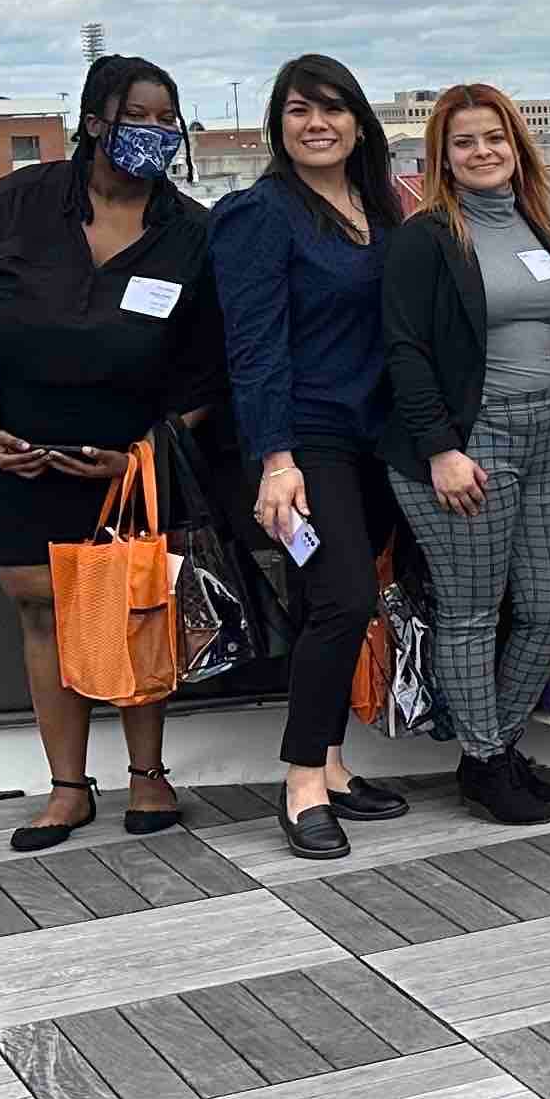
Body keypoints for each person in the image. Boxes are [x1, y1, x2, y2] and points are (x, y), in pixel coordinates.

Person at [0, 53, 224, 853]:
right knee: (43, 611)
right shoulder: (17, 203)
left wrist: (141, 458)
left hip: (129, 463)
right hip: (17, 454)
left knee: (132, 606)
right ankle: (67, 788)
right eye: (138, 117)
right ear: (95, 122)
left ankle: (149, 776)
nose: (155, 132)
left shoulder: (191, 233)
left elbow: (212, 371)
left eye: (167, 119)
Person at [379, 83, 550, 827]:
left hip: (547, 431)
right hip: (468, 440)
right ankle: (486, 762)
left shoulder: (533, 223)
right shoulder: (425, 237)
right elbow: (404, 350)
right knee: (472, 610)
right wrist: (441, 451)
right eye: (464, 142)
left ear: (517, 146)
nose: (482, 152)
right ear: (442, 158)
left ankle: (494, 747)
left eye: (495, 138)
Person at [211, 53, 415, 859]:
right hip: (304, 441)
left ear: (359, 123)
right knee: (343, 599)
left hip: (375, 438)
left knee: (328, 603)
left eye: (332, 108)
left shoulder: (380, 205)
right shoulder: (261, 214)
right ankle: (301, 786)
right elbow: (254, 346)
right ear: (279, 126)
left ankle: (330, 765)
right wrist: (276, 460)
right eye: (299, 110)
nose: (317, 123)